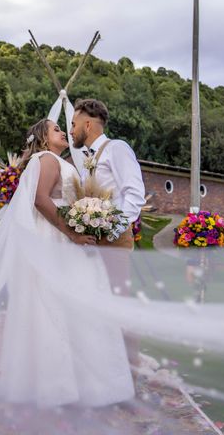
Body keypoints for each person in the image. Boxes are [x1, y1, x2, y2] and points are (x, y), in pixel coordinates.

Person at [70, 98, 146, 367]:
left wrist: (113, 228)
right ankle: (103, 368)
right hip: (93, 243)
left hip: (113, 241)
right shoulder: (87, 158)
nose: (70, 130)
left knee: (119, 306)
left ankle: (131, 373)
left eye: (74, 124)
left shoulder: (117, 149)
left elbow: (135, 194)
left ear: (88, 124)